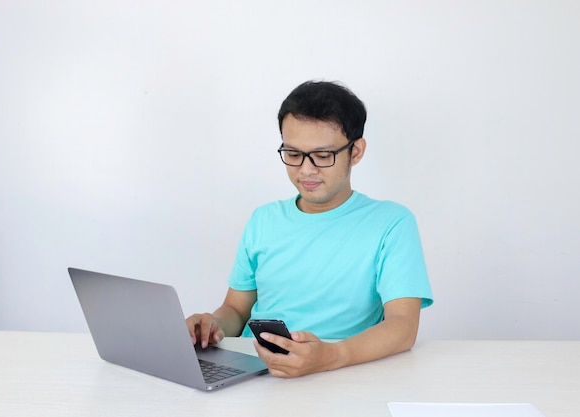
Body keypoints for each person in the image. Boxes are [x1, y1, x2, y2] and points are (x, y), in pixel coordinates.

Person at [186, 80, 433, 378]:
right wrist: (212, 325)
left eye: (323, 156)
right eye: (293, 154)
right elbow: (236, 311)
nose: (306, 170)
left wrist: (331, 356)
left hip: (342, 374)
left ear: (355, 151)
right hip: (256, 373)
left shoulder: (392, 223)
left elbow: (403, 327)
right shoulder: (263, 219)